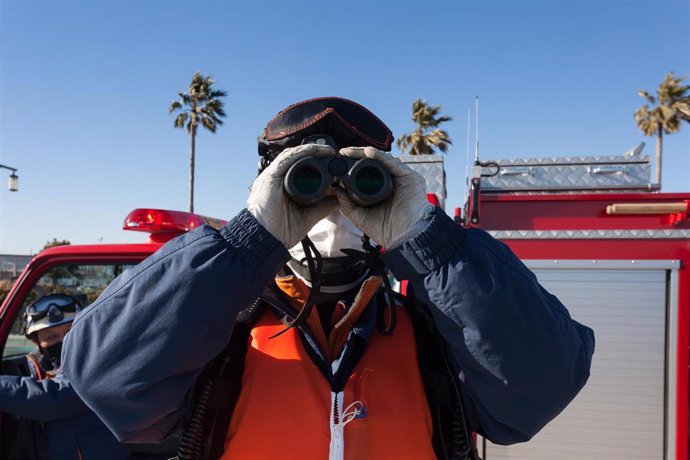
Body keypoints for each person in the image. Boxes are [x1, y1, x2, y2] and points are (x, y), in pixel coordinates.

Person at [62, 97, 595, 460]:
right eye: (308, 185)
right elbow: (105, 380)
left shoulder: (431, 336)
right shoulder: (220, 336)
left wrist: (431, 241)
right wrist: (246, 241)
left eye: (360, 185)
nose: (333, 210)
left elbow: (538, 390)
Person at [0, 294, 130, 459]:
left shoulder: (98, 363)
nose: (64, 340)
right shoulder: (41, 367)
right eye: (51, 336)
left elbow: (52, 398)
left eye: (71, 331)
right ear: (38, 343)